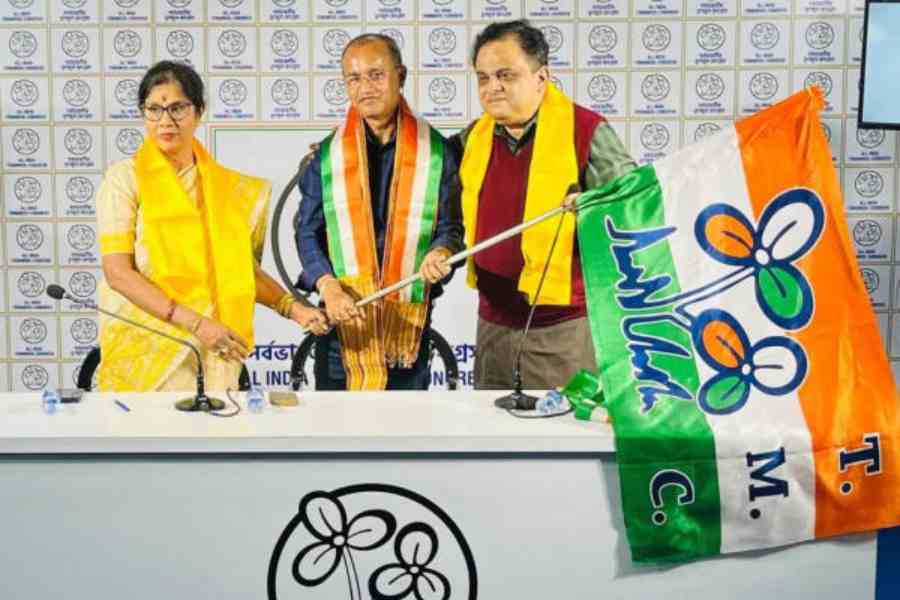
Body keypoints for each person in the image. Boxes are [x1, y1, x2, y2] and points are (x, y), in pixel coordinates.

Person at [97, 60, 328, 392]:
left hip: (217, 344)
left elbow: (237, 269)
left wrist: (292, 308)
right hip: (149, 346)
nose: (166, 120)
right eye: (154, 109)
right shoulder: (125, 179)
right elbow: (118, 273)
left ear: (199, 111)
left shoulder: (226, 188)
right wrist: (195, 323)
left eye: (177, 108)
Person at [454, 20, 636, 390]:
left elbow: (633, 207)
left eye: (506, 75)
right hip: (492, 326)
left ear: (542, 76)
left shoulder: (585, 131)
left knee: (559, 438)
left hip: (561, 330)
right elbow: (420, 173)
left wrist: (592, 207)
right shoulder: (473, 137)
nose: (493, 88)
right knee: (490, 440)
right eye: (484, 78)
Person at [295, 34, 463, 391]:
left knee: (405, 440)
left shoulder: (436, 154)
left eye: (376, 75)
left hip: (406, 328)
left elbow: (451, 227)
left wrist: (441, 251)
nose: (365, 88)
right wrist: (328, 286)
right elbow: (306, 233)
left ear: (400, 75)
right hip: (342, 324)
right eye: (354, 79)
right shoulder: (326, 158)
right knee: (337, 438)